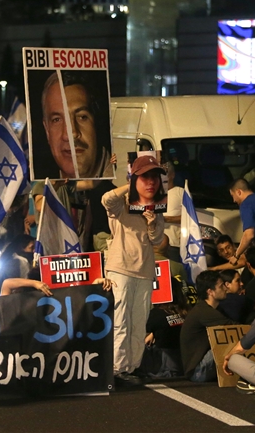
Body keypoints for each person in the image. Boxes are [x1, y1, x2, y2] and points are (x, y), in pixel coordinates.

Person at [102, 156, 165, 387]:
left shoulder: (157, 206)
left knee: (139, 322)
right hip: (120, 268)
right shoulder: (122, 203)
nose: (151, 182)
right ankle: (117, 369)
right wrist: (128, 186)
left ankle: (132, 366)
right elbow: (106, 199)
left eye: (154, 177)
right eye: (145, 176)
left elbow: (157, 239)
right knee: (121, 321)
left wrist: (152, 223)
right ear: (134, 178)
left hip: (145, 270)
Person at [36, 71, 114, 179]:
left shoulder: (125, 180)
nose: (71, 134)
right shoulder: (39, 185)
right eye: (57, 119)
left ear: (97, 122)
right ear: (47, 131)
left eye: (82, 117)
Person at [180, 271, 237, 382]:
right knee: (236, 341)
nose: (226, 288)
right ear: (210, 291)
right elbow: (234, 327)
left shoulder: (211, 309)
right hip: (198, 371)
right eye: (221, 286)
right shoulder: (204, 311)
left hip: (199, 369)